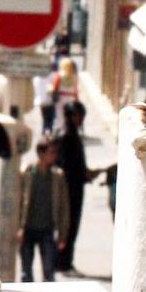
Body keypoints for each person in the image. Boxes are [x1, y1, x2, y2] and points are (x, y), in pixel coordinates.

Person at [16, 137, 70, 283]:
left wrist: (63, 234)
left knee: (49, 273)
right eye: (51, 152)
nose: (54, 156)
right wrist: (18, 228)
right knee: (26, 274)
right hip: (27, 229)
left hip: (47, 229)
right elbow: (18, 202)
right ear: (41, 153)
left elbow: (64, 208)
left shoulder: (57, 176)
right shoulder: (27, 173)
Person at [55, 98, 91, 272]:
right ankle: (62, 262)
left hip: (76, 187)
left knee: (72, 225)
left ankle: (66, 260)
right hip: (68, 190)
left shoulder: (73, 134)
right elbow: (64, 166)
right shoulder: (66, 136)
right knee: (67, 225)